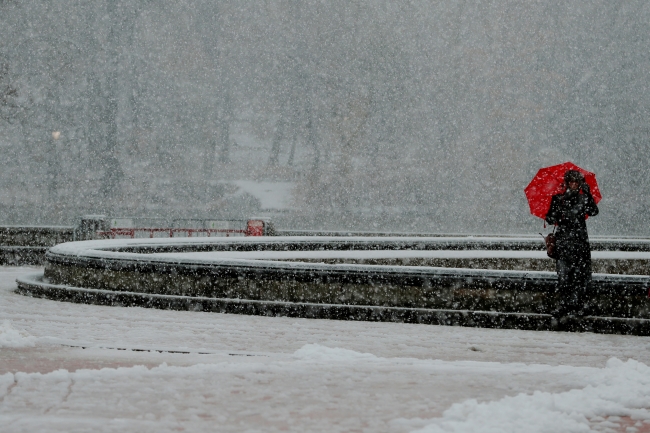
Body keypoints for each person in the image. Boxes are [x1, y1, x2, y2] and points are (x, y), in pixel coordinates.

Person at [545, 170, 599, 317]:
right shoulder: (558, 198)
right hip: (563, 242)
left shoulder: (583, 198)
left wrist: (588, 195)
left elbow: (594, 211)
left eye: (577, 182)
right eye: (571, 181)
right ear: (567, 182)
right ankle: (566, 304)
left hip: (580, 241)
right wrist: (555, 213)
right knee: (564, 276)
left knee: (580, 275)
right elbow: (549, 218)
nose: (574, 184)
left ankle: (579, 305)